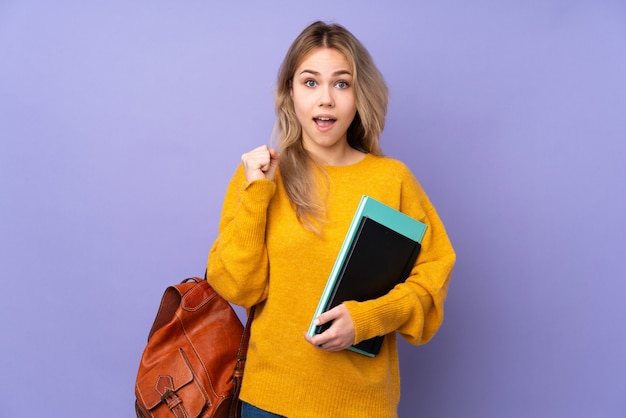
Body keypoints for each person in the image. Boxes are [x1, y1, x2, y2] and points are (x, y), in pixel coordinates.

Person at [207, 21, 456, 418]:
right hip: (269, 402)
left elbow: (432, 283)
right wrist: (258, 195)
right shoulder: (259, 176)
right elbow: (238, 288)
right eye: (310, 82)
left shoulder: (392, 180)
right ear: (289, 93)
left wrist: (367, 319)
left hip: (362, 405)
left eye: (341, 83)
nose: (325, 99)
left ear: (360, 95)